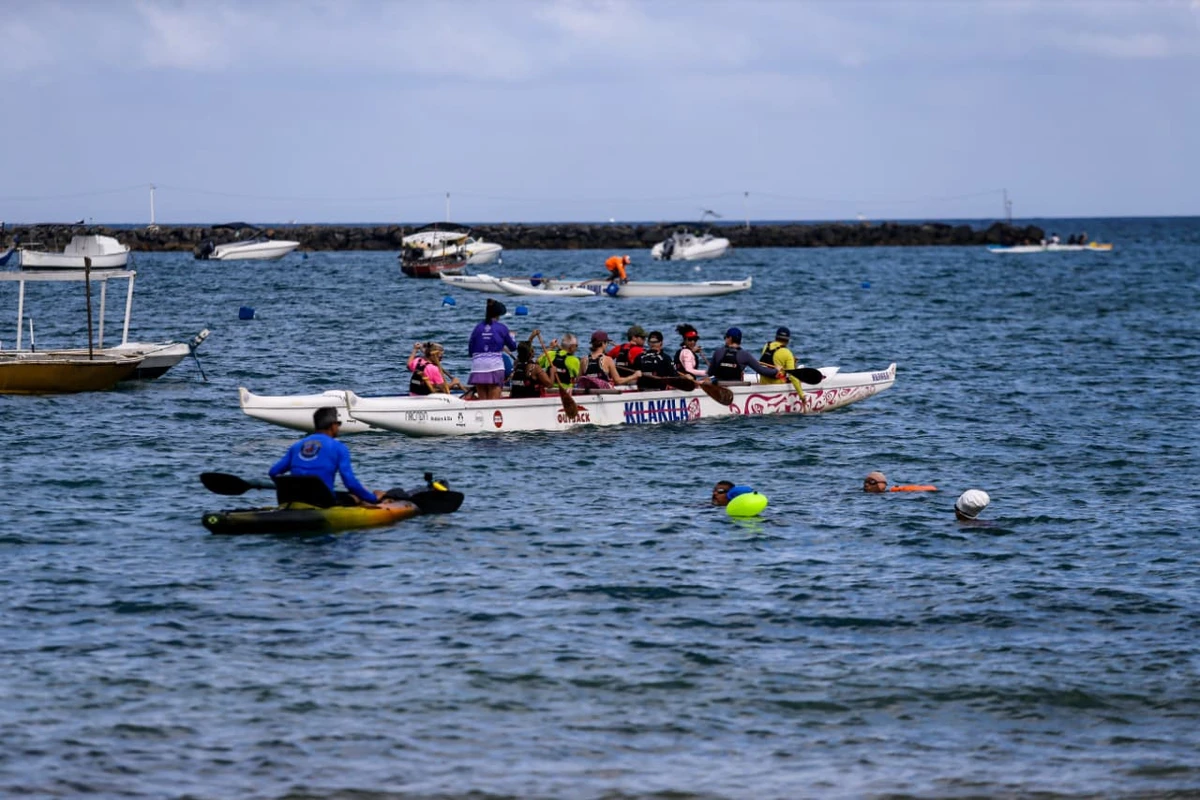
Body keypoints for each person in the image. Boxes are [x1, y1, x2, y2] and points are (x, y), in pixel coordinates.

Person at [269, 406, 382, 506]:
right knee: (356, 497)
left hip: (293, 499)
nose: (338, 428)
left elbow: (273, 472)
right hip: (322, 501)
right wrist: (373, 499)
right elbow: (350, 483)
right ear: (332, 425)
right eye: (338, 424)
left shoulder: (297, 446)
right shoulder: (338, 447)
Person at [468, 298, 518, 400]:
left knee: (483, 402)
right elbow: (513, 347)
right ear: (498, 314)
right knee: (493, 403)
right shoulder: (501, 328)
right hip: (494, 367)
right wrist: (512, 337)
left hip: (478, 368)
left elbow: (470, 351)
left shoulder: (477, 328)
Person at [707, 327, 785, 383]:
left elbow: (710, 373)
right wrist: (776, 370)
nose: (725, 340)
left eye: (725, 337)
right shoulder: (744, 355)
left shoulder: (718, 352)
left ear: (730, 338)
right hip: (736, 387)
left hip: (719, 386)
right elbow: (762, 371)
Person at [863, 471, 937, 493]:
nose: (866, 484)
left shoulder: (893, 493)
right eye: (865, 482)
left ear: (881, 485)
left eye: (871, 482)